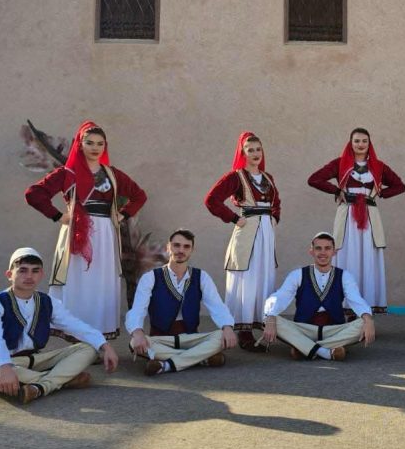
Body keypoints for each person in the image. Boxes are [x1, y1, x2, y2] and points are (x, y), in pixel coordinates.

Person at [25, 121, 147, 338]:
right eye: (89, 143)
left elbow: (139, 196)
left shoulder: (112, 175)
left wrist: (123, 215)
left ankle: (99, 334)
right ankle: (76, 333)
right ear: (80, 145)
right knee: (78, 281)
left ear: (105, 146)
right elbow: (34, 194)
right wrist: (58, 216)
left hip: (106, 234)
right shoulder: (67, 173)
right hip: (77, 233)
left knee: (101, 282)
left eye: (100, 143)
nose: (95, 147)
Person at [0, 248, 119, 404]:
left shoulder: (47, 302)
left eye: (35, 271)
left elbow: (74, 324)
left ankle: (41, 385)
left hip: (37, 361)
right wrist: (4, 367)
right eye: (23, 270)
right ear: (10, 275)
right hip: (6, 362)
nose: (29, 276)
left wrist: (105, 346)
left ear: (41, 275)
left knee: (89, 348)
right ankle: (60, 380)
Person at [307, 128, 405, 312]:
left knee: (368, 256)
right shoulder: (340, 163)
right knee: (347, 255)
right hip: (348, 217)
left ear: (369, 144)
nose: (360, 144)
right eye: (357, 141)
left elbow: (400, 186)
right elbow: (314, 179)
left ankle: (367, 304)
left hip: (369, 217)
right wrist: (337, 191)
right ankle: (345, 305)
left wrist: (381, 193)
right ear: (350, 143)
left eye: (364, 141)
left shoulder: (378, 166)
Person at [204, 132, 281, 351]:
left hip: (266, 233)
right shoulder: (235, 177)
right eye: (250, 150)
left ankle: (263, 324)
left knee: (263, 276)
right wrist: (234, 218)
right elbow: (211, 200)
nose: (255, 153)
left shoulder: (268, 178)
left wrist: (274, 218)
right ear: (242, 153)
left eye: (258, 149)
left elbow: (277, 203)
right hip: (247, 234)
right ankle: (243, 330)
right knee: (247, 278)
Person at [126, 229, 238, 375]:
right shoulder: (151, 278)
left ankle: (166, 365)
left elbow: (217, 306)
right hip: (161, 339)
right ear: (168, 247)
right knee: (134, 342)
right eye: (176, 245)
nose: (181, 250)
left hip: (191, 339)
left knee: (220, 336)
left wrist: (227, 327)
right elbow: (137, 309)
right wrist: (137, 332)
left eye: (186, 246)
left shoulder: (201, 277)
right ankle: (201, 358)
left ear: (192, 250)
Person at [261, 233, 376, 361]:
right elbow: (280, 296)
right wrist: (270, 317)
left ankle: (304, 348)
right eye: (318, 248)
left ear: (334, 252)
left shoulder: (345, 276)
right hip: (303, 329)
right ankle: (327, 351)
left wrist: (368, 319)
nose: (323, 252)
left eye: (327, 248)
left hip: (335, 330)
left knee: (364, 322)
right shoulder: (297, 274)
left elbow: (356, 299)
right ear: (311, 251)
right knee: (268, 318)